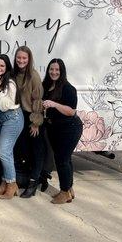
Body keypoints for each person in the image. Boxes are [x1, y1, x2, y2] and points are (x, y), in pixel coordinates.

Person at [42, 58, 83, 204]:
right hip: (55, 128)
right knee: (66, 159)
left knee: (62, 160)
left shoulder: (68, 88)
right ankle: (69, 189)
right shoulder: (46, 86)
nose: (54, 72)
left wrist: (54, 104)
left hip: (70, 128)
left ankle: (64, 192)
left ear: (62, 71)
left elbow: (71, 111)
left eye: (57, 70)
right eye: (51, 69)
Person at [13, 46, 45, 199]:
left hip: (32, 117)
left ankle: (34, 183)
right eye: (19, 57)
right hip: (19, 116)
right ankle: (30, 179)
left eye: (24, 58)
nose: (21, 60)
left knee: (36, 152)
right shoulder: (15, 74)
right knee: (24, 150)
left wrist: (36, 122)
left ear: (29, 59)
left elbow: (38, 100)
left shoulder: (33, 75)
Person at [0, 54, 24, 199]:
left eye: (2, 65)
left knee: (3, 151)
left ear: (7, 67)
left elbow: (4, 106)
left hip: (12, 118)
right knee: (7, 153)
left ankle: (12, 184)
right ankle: (5, 183)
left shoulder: (10, 82)